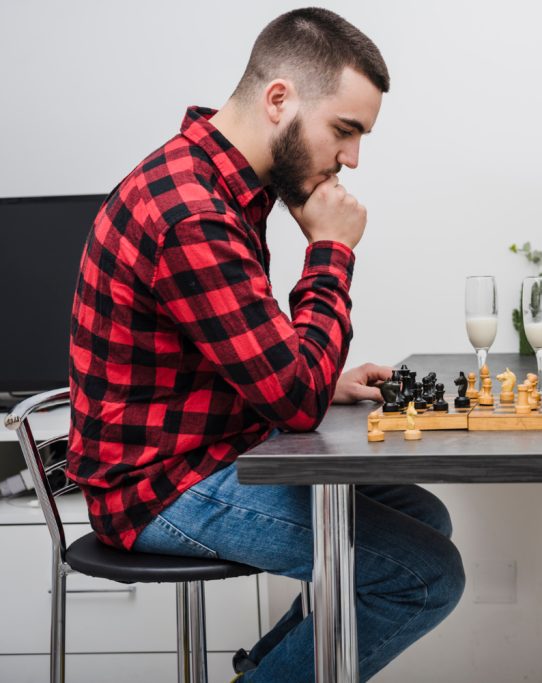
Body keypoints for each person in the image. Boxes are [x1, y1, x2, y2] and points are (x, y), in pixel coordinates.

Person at [66, 8, 464, 682]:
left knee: (424, 515)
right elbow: (296, 404)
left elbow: (246, 352)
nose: (353, 159)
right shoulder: (192, 210)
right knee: (426, 576)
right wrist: (332, 250)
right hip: (160, 487)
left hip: (203, 450)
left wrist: (319, 377)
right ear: (279, 99)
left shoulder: (222, 183)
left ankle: (267, 670)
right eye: (345, 130)